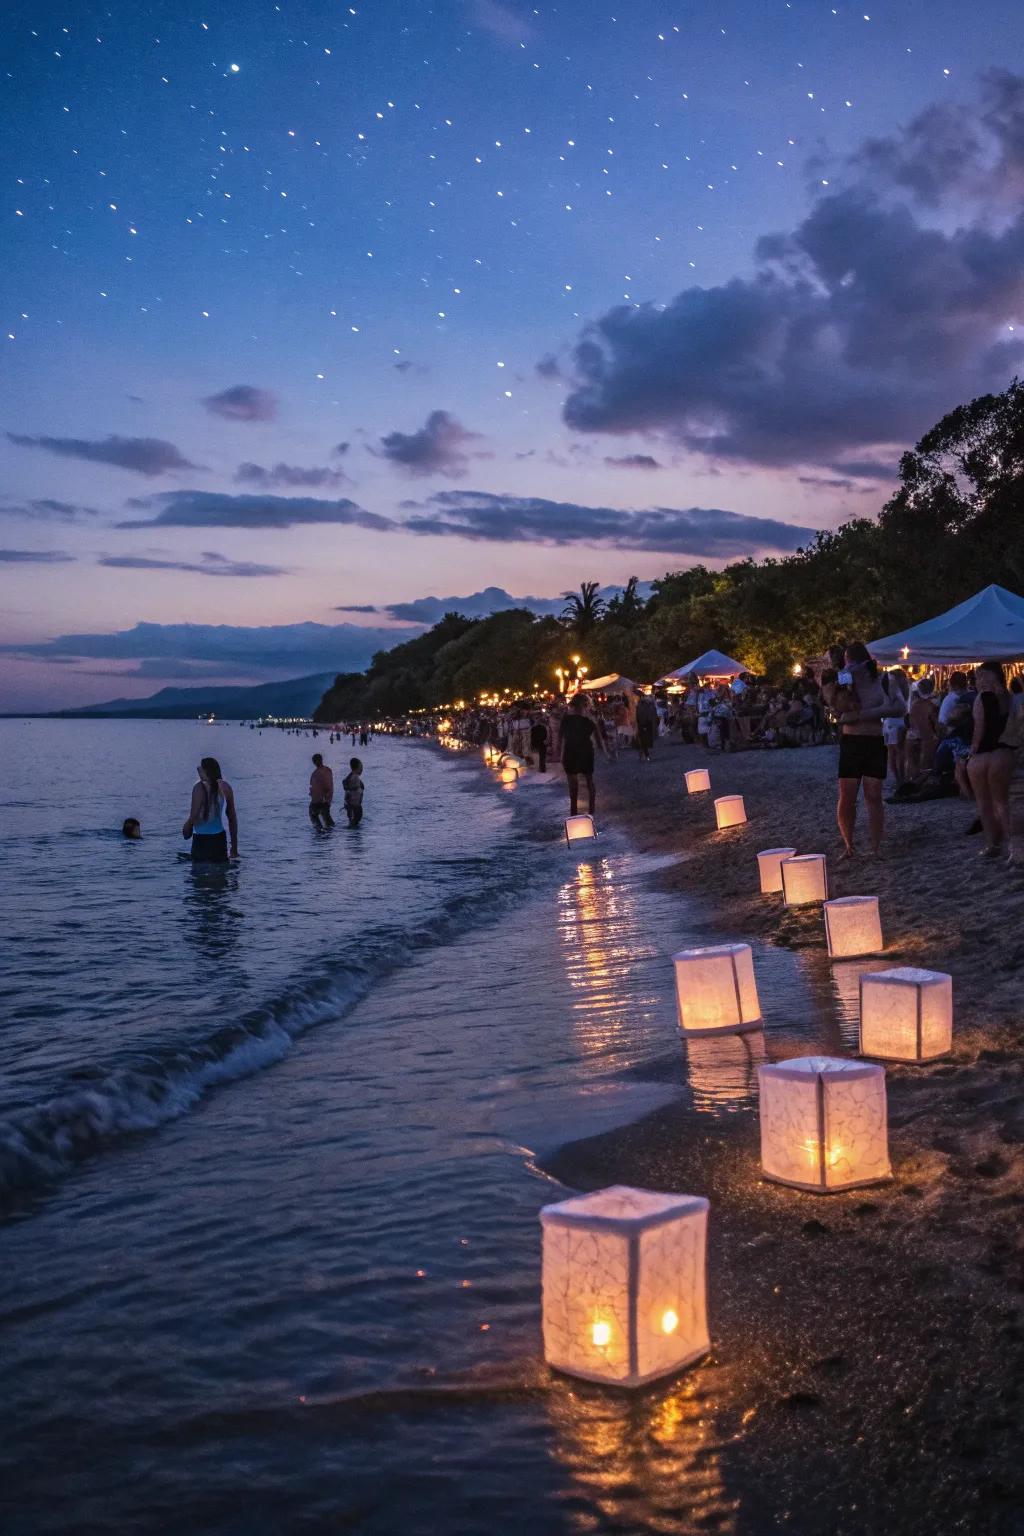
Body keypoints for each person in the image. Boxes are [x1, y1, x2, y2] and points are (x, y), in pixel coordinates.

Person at [822, 642, 888, 858]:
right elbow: (835, 706)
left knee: (868, 797)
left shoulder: (878, 680)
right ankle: (852, 845)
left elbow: (893, 707)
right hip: (859, 740)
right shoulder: (845, 679)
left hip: (868, 740)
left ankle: (869, 846)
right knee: (852, 797)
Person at [967, 661, 1016, 859]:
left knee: (984, 803)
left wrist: (973, 749)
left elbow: (980, 727)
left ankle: (992, 845)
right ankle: (1013, 845)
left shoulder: (982, 698)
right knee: (1002, 802)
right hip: (1003, 752)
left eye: (980, 676)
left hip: (982, 755)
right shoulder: (1008, 696)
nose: (978, 680)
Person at [558, 694, 607, 817]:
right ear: (585, 705)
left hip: (571, 751)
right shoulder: (589, 719)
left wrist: (559, 753)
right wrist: (606, 752)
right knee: (589, 780)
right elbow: (599, 738)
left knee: (573, 783)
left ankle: (573, 812)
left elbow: (560, 737)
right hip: (585, 750)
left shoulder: (567, 719)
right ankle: (591, 811)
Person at [183, 756, 238, 862]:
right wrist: (234, 848)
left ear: (205, 772)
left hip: (201, 840)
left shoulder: (198, 787)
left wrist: (186, 831)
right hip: (219, 840)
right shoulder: (225, 787)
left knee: (200, 876)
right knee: (221, 876)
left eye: (200, 768)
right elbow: (232, 818)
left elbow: (193, 818)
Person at [309, 752, 335, 828]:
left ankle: (319, 834)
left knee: (314, 816)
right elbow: (329, 785)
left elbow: (315, 788)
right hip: (327, 800)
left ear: (314, 762)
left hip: (319, 801)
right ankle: (329, 835)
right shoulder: (328, 770)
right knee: (328, 820)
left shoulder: (316, 774)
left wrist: (314, 798)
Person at [635, 690, 659, 762]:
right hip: (642, 724)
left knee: (643, 740)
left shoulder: (643, 704)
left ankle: (645, 755)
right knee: (642, 740)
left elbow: (645, 715)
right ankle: (643, 755)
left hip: (644, 724)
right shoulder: (639, 705)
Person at [343, 757, 365, 826]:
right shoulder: (354, 777)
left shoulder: (351, 776)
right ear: (357, 767)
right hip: (354, 805)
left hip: (352, 805)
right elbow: (347, 787)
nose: (362, 769)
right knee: (354, 822)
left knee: (353, 822)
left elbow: (345, 783)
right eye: (361, 767)